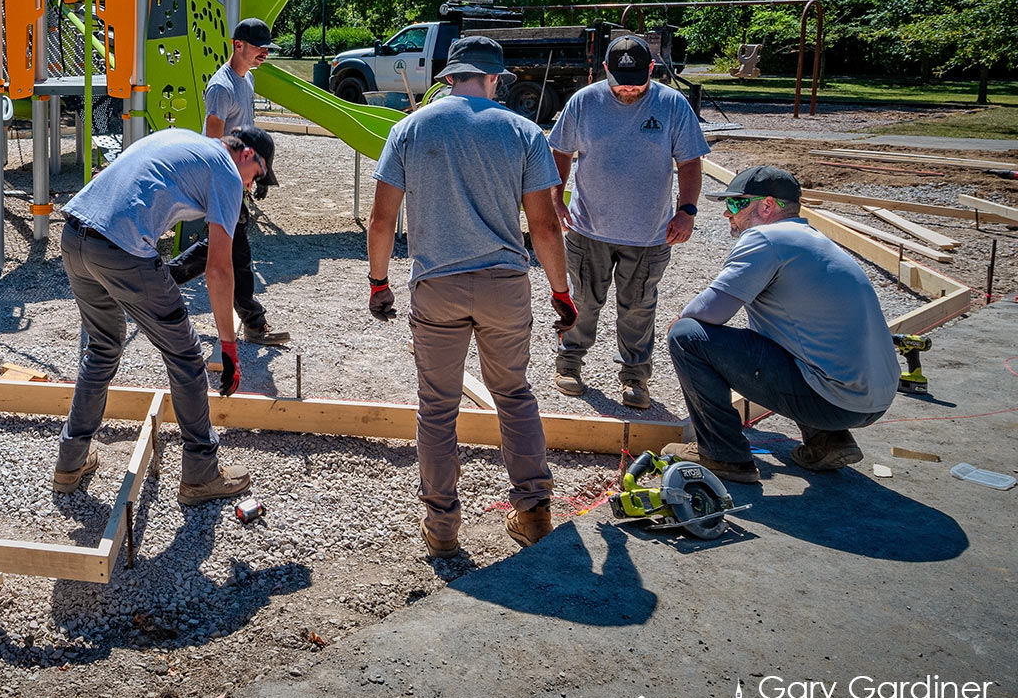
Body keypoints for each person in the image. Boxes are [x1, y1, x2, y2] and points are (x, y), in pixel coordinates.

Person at [364, 36, 577, 554]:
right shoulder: (524, 132)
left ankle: (441, 530)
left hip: (437, 287)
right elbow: (545, 227)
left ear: (449, 76)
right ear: (495, 79)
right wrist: (560, 290)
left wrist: (378, 282)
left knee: (436, 408)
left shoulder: (409, 128)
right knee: (514, 396)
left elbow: (382, 220)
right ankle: (533, 514)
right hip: (505, 286)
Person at [53, 125, 278, 505]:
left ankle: (69, 463)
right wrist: (228, 346)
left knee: (103, 348)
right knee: (187, 357)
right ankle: (201, 475)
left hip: (75, 237)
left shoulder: (182, 140)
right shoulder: (226, 170)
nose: (251, 188)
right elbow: (219, 269)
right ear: (247, 155)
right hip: (120, 248)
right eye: (256, 177)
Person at [664, 165, 898, 482]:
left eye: (735, 204)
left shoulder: (765, 238)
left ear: (767, 205)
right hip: (875, 397)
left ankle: (722, 454)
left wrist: (678, 320)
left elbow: (708, 313)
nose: (726, 214)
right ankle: (828, 440)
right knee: (783, 338)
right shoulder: (814, 240)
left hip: (837, 400)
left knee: (685, 336)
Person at [547, 34, 710, 410]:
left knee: (638, 307)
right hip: (589, 230)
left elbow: (689, 162)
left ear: (651, 69)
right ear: (604, 71)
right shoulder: (583, 103)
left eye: (637, 81)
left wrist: (687, 211)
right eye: (620, 82)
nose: (629, 89)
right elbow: (561, 152)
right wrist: (556, 199)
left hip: (649, 234)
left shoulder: (672, 105)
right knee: (583, 302)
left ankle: (635, 378)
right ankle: (569, 364)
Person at [167, 18, 289, 345]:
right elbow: (214, 137)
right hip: (225, 177)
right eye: (258, 47)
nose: (264, 53)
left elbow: (244, 132)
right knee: (235, 252)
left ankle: (161, 281)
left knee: (228, 249)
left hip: (238, 177)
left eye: (267, 48)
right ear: (238, 45)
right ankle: (253, 322)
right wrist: (222, 182)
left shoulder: (246, 79)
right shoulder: (222, 86)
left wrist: (255, 174)